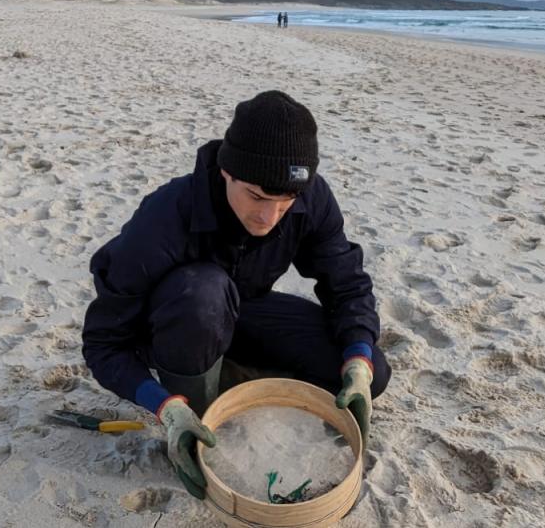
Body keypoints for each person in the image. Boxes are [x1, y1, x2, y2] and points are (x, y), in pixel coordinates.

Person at [82, 90, 390, 499]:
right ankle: (197, 407)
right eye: (257, 197)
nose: (268, 216)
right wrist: (163, 405)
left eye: (286, 201)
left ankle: (236, 378)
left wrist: (358, 361)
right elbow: (103, 344)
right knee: (204, 293)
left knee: (374, 370)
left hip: (244, 309)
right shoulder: (163, 217)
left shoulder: (312, 198)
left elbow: (347, 283)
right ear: (227, 171)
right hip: (179, 323)